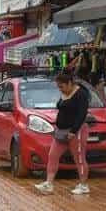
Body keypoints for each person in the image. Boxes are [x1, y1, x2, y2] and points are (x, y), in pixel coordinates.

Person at [35, 68, 90, 196]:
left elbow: (82, 114)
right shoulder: (64, 93)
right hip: (61, 131)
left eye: (62, 86)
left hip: (75, 131)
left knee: (79, 158)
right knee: (53, 155)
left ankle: (83, 184)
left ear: (70, 83)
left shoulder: (81, 94)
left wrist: (73, 131)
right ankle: (49, 183)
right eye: (59, 87)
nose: (60, 89)